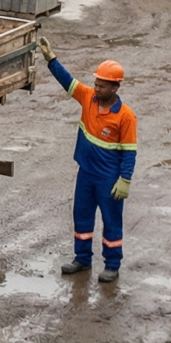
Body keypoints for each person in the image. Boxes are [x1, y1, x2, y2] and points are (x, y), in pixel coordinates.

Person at [39, 37, 137, 283]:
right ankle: (82, 259)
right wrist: (51, 59)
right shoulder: (88, 98)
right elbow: (68, 82)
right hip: (86, 174)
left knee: (111, 221)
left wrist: (125, 179)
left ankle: (112, 264)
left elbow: (129, 151)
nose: (96, 88)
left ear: (115, 87)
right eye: (96, 83)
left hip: (108, 179)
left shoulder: (125, 117)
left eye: (102, 85)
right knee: (81, 215)